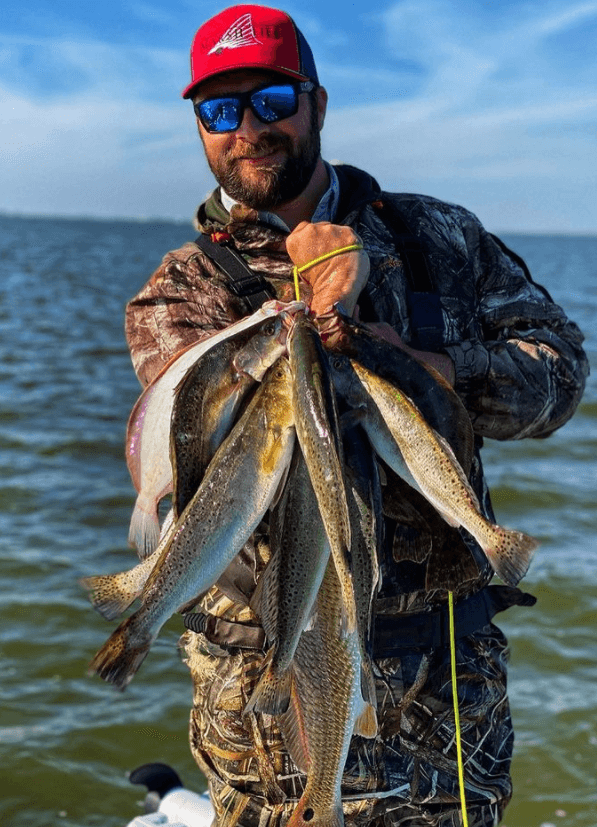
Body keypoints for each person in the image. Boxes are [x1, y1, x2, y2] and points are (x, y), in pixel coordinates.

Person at [124, 5, 589, 826]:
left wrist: (412, 360)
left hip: (446, 687)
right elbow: (198, 441)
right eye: (219, 110)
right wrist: (296, 311)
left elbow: (558, 375)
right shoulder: (181, 288)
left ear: (317, 103)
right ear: (199, 127)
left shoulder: (441, 237)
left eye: (270, 99)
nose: (247, 129)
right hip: (263, 695)